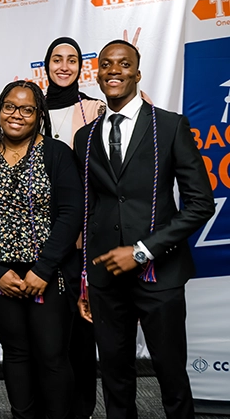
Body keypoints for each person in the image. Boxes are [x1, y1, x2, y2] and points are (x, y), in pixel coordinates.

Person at [73, 40, 215, 419]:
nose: (114, 70)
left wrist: (142, 250)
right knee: (115, 380)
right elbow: (88, 211)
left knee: (170, 376)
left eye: (123, 64)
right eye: (106, 64)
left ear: (137, 73)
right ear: (98, 73)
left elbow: (200, 203)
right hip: (105, 277)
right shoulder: (84, 138)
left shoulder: (169, 126)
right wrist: (86, 279)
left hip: (159, 273)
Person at [0, 81, 83, 419]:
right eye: (9, 107)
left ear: (38, 115)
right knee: (15, 353)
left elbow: (72, 212)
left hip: (50, 274)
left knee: (52, 354)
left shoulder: (57, 154)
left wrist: (43, 269)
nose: (17, 115)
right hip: (4, 277)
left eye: (27, 109)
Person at [43, 36, 104, 419]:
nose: (63, 66)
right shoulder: (30, 108)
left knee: (82, 328)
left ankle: (81, 408)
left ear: (81, 67)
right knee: (48, 329)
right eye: (56, 59)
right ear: (46, 65)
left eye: (72, 60)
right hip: (39, 236)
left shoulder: (96, 109)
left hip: (82, 235)